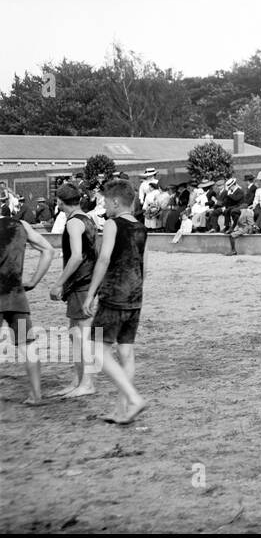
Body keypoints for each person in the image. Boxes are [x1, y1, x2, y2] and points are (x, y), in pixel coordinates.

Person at [84, 180, 151, 423]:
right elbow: (144, 265)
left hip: (114, 294)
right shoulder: (142, 228)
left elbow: (103, 260)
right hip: (135, 296)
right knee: (126, 352)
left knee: (96, 349)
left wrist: (91, 293)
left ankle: (134, 399)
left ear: (114, 201)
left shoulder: (112, 224)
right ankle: (122, 410)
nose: (103, 206)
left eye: (104, 202)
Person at [49, 183, 99, 398]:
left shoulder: (73, 223)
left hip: (81, 283)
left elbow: (77, 256)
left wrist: (59, 282)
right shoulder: (87, 219)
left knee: (81, 334)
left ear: (60, 201)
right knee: (76, 333)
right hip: (84, 283)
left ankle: (87, 383)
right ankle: (79, 380)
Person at [0, 212, 56, 405]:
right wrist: (33, 281)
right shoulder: (20, 225)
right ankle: (36, 395)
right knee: (28, 345)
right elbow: (48, 250)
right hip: (16, 296)